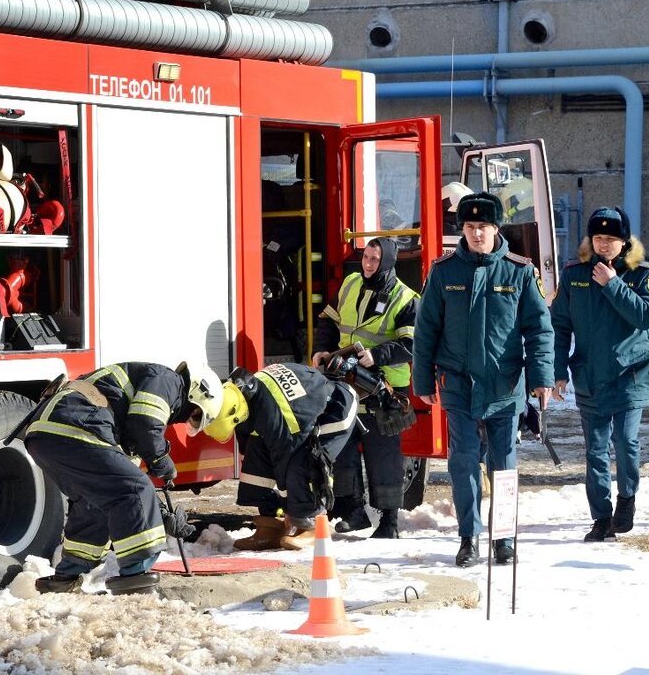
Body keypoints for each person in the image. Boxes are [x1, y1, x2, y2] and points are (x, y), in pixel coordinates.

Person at [411, 191, 554, 567]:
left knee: (503, 465)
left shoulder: (520, 271)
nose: (477, 234)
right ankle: (468, 537)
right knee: (463, 461)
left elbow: (539, 330)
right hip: (458, 385)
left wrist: (542, 378)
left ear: (496, 228)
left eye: (484, 227)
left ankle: (504, 538)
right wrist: (422, 381)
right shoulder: (443, 272)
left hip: (505, 386)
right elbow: (426, 331)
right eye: (471, 227)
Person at [22, 361, 214, 595]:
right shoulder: (169, 380)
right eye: (194, 415)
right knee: (134, 489)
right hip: (76, 427)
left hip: (45, 435)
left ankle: (66, 577)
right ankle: (136, 577)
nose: (187, 421)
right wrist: (161, 460)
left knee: (94, 502)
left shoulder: (127, 410)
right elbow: (146, 424)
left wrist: (162, 514)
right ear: (197, 392)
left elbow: (122, 480)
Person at [551, 207, 649, 542]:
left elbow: (646, 316)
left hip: (631, 374)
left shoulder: (644, 273)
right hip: (590, 375)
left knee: (625, 441)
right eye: (598, 238)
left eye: (611, 239)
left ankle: (626, 499)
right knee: (595, 451)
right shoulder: (574, 275)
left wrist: (614, 285)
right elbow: (559, 326)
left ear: (624, 241)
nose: (604, 244)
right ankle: (600, 517)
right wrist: (558, 371)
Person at [311, 236, 419, 538]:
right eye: (365, 258)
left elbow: (412, 344)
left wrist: (377, 356)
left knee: (383, 456)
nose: (368, 264)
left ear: (386, 261)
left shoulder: (405, 297)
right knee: (342, 448)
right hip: (347, 382)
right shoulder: (350, 284)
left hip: (385, 388)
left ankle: (389, 522)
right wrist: (322, 348)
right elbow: (328, 321)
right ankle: (354, 512)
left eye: (374, 259)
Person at [189, 362, 359, 551]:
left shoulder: (273, 415)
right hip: (300, 414)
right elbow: (248, 449)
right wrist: (270, 505)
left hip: (335, 410)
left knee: (301, 463)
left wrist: (291, 511)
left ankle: (313, 526)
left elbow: (285, 461)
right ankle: (270, 527)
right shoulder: (239, 399)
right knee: (255, 459)